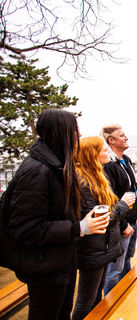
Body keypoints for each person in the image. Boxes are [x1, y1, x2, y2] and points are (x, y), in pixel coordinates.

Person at [0, 108, 108, 320]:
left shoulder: (55, 165)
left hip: (59, 261)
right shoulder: (37, 172)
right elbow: (26, 229)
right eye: (75, 130)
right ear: (62, 132)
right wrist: (78, 228)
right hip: (43, 266)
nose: (79, 136)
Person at [72, 136, 135, 320]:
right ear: (92, 154)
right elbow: (101, 217)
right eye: (103, 149)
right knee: (85, 301)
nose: (107, 152)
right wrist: (123, 205)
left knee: (95, 298)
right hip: (92, 247)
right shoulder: (84, 182)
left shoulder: (96, 176)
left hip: (102, 246)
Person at [100, 124, 137, 295]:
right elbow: (110, 199)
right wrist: (123, 224)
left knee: (126, 262)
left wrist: (136, 188)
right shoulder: (109, 166)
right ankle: (109, 305)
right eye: (122, 135)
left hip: (131, 219)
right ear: (111, 140)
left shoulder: (126, 160)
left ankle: (125, 298)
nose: (126, 138)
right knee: (115, 269)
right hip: (120, 224)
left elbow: (124, 188)